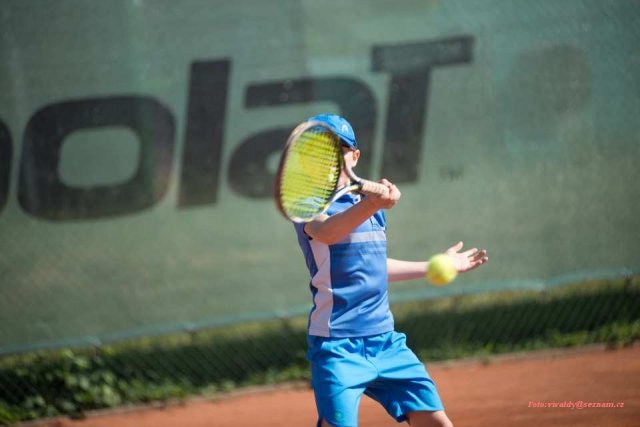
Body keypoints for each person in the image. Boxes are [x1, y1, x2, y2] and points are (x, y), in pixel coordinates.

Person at [292, 114, 488, 427]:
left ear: (355, 156)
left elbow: (373, 267)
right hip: (337, 346)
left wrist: (433, 265)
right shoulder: (308, 205)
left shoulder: (370, 207)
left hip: (386, 341)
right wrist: (373, 203)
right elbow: (328, 232)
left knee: (437, 423)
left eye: (338, 149)